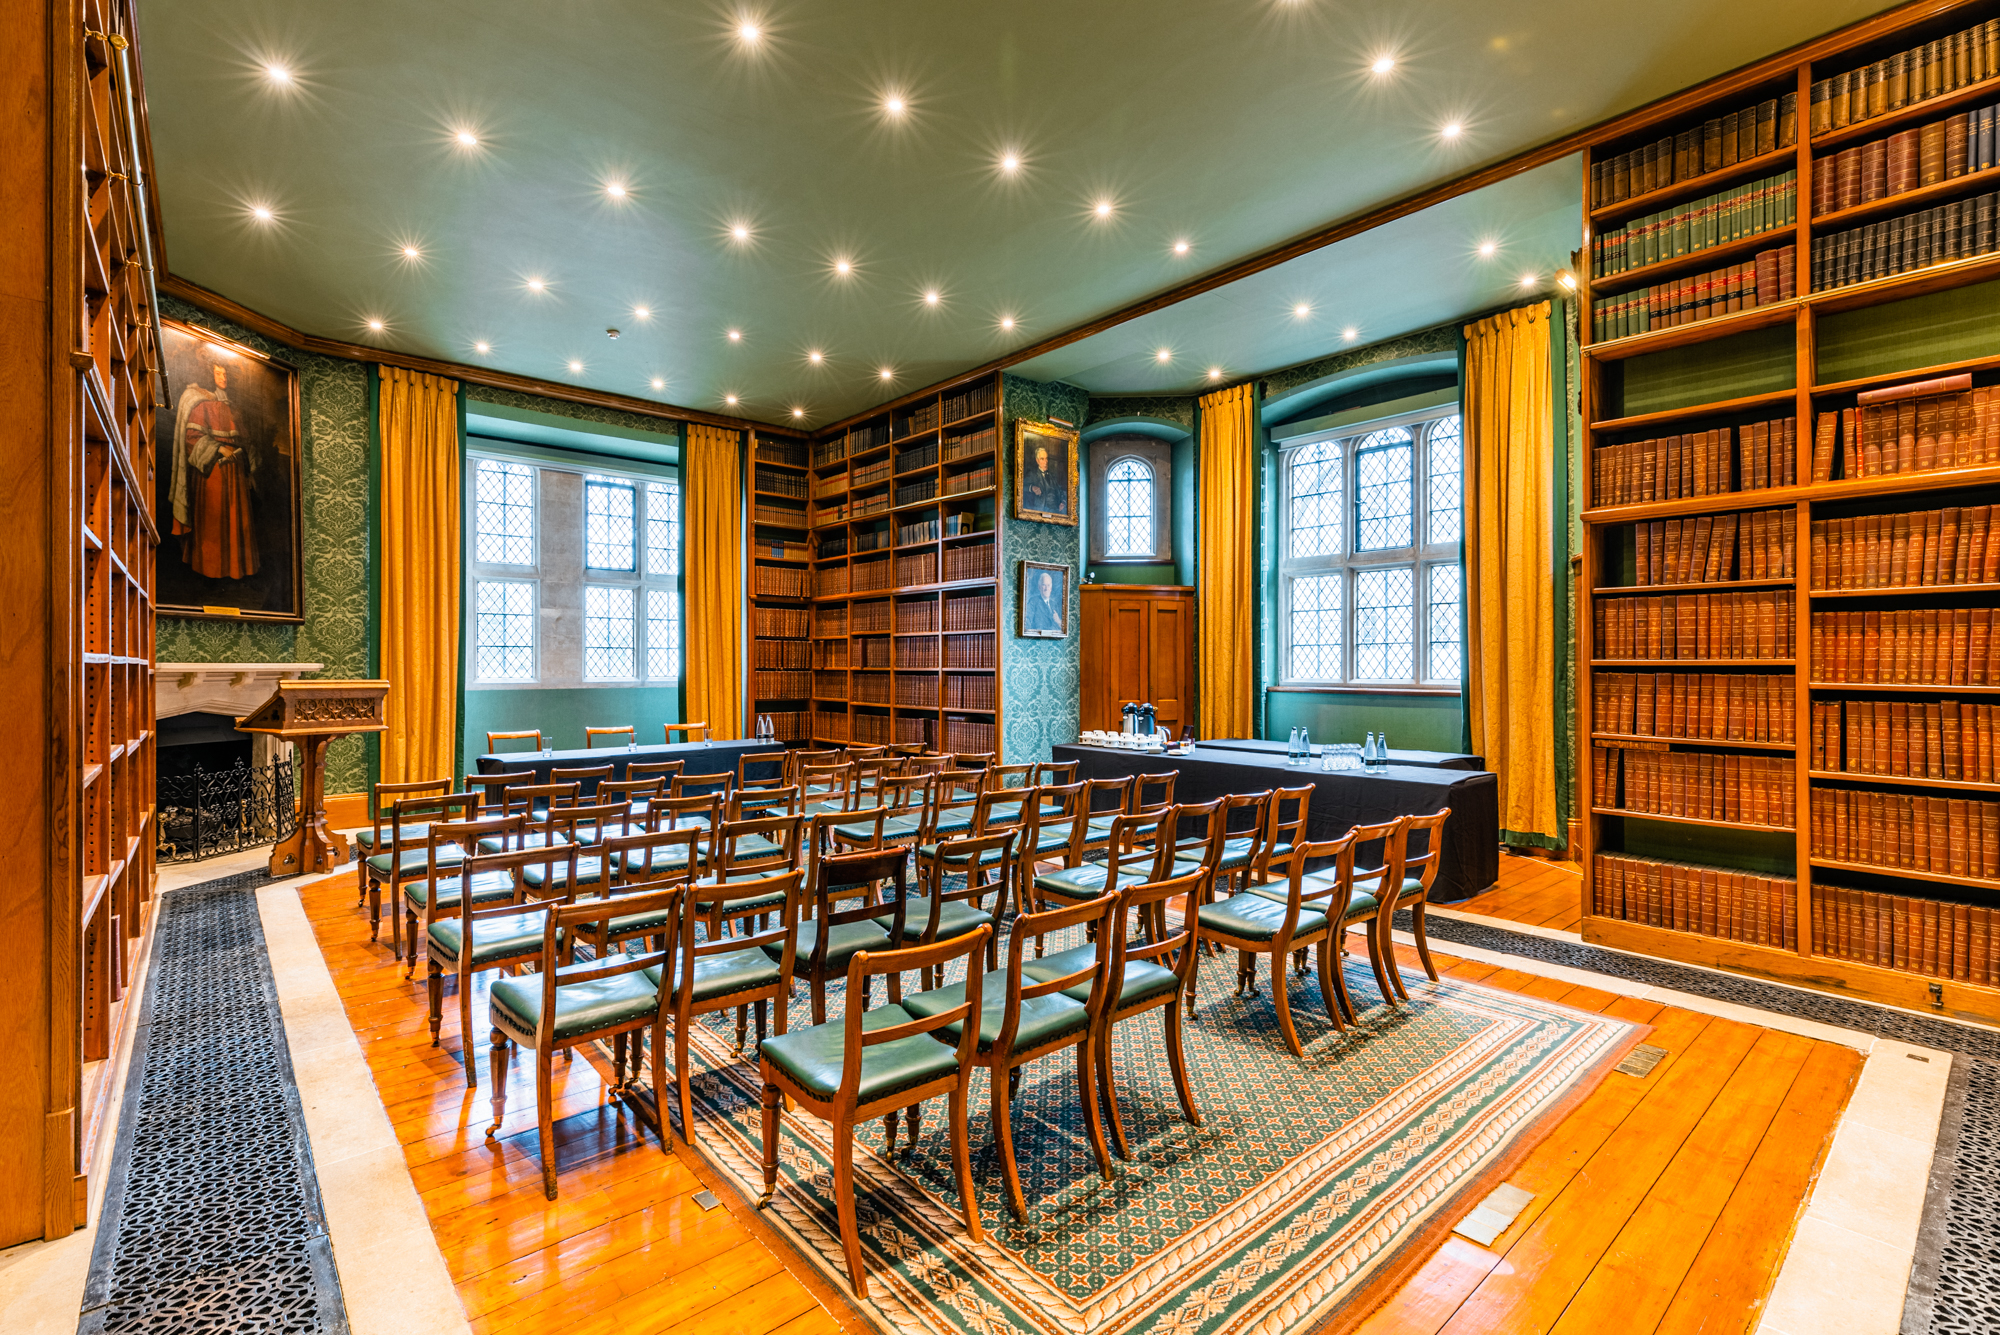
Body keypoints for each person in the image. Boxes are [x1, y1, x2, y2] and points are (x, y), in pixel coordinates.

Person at [169, 360, 260, 579]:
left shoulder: (232, 407)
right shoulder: (200, 402)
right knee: (214, 520)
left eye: (226, 373)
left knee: (238, 521)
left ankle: (236, 571)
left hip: (235, 473)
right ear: (210, 375)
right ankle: (209, 571)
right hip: (213, 473)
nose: (223, 377)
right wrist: (219, 448)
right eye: (219, 373)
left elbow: (245, 439)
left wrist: (247, 456)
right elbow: (192, 438)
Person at [1022, 442, 1067, 516]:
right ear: (1037, 461)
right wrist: (1032, 488)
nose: (1046, 462)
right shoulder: (1032, 474)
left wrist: (1063, 502)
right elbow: (1021, 486)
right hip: (1041, 510)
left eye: (1046, 458)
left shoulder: (1053, 476)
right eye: (1042, 459)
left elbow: (1061, 491)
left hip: (1056, 511)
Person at [1024, 569, 1065, 634]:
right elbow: (1027, 624)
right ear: (1039, 587)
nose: (1046, 588)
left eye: (1048, 585)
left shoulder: (1055, 604)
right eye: (1044, 585)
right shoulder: (1033, 601)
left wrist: (1058, 621)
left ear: (1051, 588)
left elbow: (1063, 629)